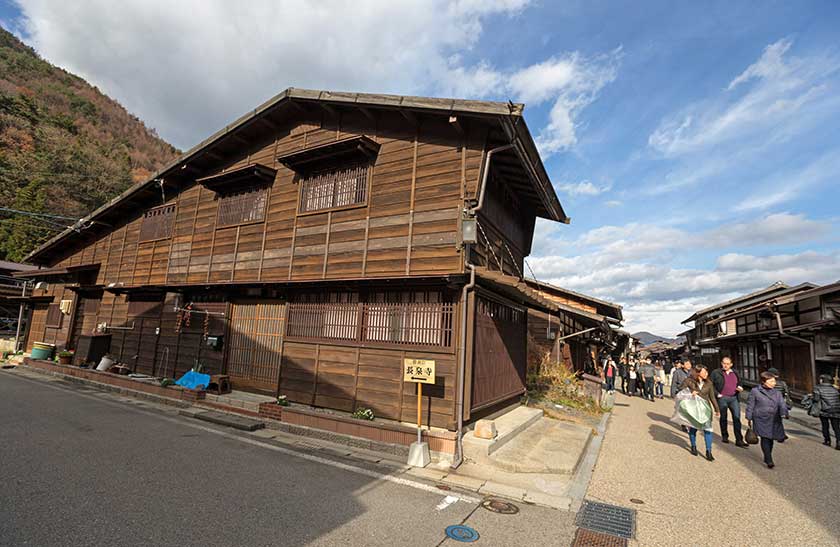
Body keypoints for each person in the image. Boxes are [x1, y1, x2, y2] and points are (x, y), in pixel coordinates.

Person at [746, 371, 789, 468]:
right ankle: (769, 459)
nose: (774, 383)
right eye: (771, 381)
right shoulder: (755, 391)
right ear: (763, 381)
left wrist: (783, 413)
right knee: (765, 438)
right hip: (760, 418)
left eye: (774, 381)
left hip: (774, 418)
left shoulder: (777, 392)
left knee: (771, 438)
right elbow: (750, 404)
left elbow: (782, 404)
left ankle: (767, 455)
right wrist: (749, 416)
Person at [680, 364, 720, 461]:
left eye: (707, 372)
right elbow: (680, 392)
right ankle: (693, 446)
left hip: (705, 409)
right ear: (698, 373)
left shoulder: (709, 383)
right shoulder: (688, 381)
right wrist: (690, 393)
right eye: (704, 372)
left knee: (708, 430)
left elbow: (712, 397)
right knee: (693, 429)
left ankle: (708, 451)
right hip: (694, 409)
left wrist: (717, 409)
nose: (706, 373)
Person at [710, 356, 748, 448]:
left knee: (737, 418)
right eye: (724, 363)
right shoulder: (716, 372)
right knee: (723, 418)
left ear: (731, 364)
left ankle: (739, 439)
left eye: (728, 364)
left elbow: (740, 382)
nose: (725, 365)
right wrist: (717, 394)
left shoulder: (735, 372)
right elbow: (710, 385)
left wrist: (740, 387)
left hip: (734, 397)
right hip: (722, 398)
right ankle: (725, 436)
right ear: (721, 363)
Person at [811, 374, 840, 449]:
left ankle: (827, 440)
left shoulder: (817, 388)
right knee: (836, 427)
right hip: (836, 409)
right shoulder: (835, 389)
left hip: (825, 409)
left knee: (825, 425)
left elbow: (816, 399)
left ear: (822, 380)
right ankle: (838, 442)